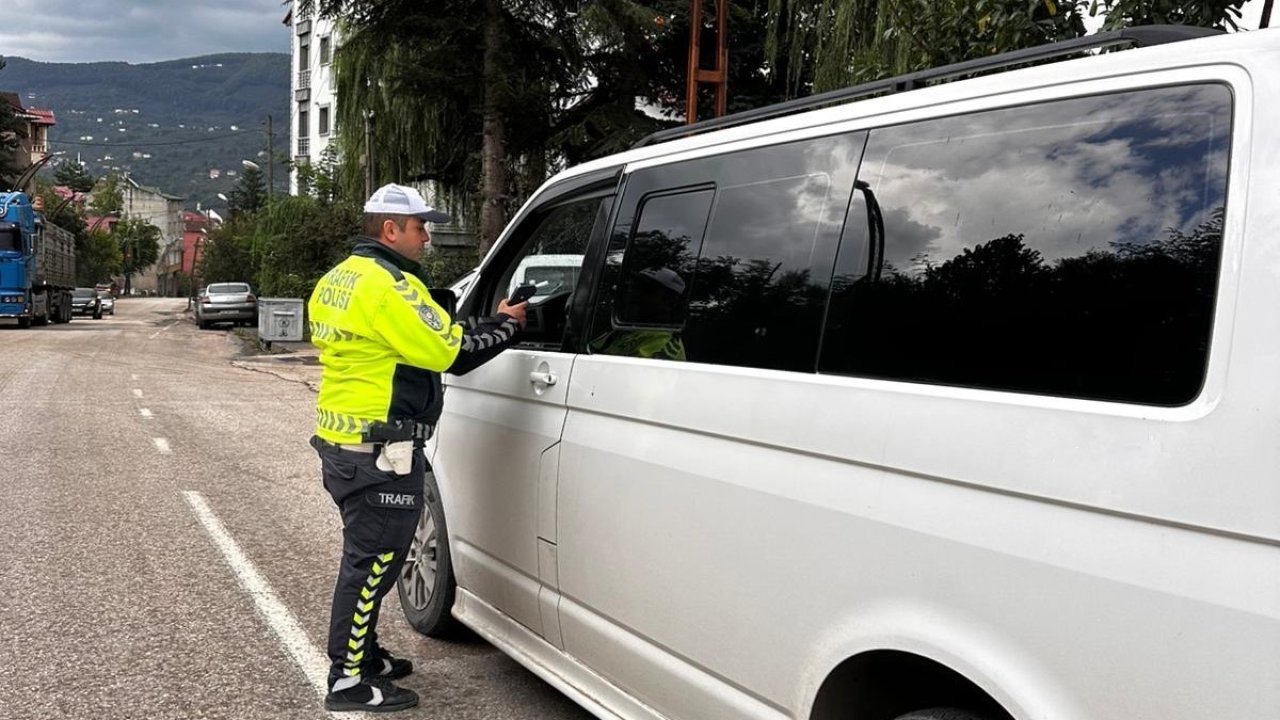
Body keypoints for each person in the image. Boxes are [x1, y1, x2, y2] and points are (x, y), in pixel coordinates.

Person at [307, 183, 527, 712]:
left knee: (368, 558)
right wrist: (509, 326)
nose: (427, 237)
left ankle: (366, 654)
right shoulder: (389, 285)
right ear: (390, 229)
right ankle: (348, 679)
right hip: (381, 450)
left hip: (345, 444)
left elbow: (406, 342)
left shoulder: (340, 278)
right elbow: (451, 351)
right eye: (419, 227)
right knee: (374, 565)